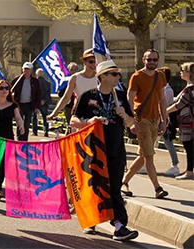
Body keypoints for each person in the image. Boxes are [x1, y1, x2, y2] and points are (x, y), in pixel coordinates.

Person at [70, 60, 139, 241]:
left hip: (116, 148)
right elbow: (73, 121)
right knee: (95, 184)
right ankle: (91, 219)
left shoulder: (120, 96)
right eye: (114, 74)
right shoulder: (87, 96)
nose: (118, 77)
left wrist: (124, 115)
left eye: (118, 74)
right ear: (102, 77)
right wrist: (89, 122)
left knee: (114, 186)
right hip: (93, 149)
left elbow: (132, 124)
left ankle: (119, 225)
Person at [121, 49, 170, 199]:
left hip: (155, 119)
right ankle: (157, 188)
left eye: (155, 60)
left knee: (143, 155)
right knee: (149, 156)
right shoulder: (136, 77)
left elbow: (162, 99)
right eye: (149, 60)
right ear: (143, 60)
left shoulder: (160, 76)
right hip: (141, 119)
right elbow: (129, 100)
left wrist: (164, 119)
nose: (152, 62)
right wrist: (131, 121)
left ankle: (124, 182)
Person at [49, 49, 99, 129]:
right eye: (90, 62)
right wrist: (54, 113)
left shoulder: (99, 77)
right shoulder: (75, 78)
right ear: (84, 62)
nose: (93, 65)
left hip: (96, 113)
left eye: (95, 62)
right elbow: (66, 98)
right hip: (80, 113)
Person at [169, 62, 194, 180]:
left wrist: (164, 112)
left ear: (190, 73)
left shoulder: (190, 89)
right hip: (188, 121)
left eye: (183, 70)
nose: (181, 72)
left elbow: (179, 105)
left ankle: (189, 171)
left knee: (189, 146)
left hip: (188, 123)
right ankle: (189, 169)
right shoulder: (188, 88)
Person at [11, 62, 42, 141]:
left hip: (29, 105)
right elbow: (10, 88)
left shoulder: (35, 81)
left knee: (27, 123)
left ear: (31, 70)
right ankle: (19, 138)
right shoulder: (17, 79)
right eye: (25, 69)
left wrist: (37, 107)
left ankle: (25, 139)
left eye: (28, 69)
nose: (26, 71)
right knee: (19, 122)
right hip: (19, 104)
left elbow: (38, 94)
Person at [34, 68, 52, 137]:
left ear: (37, 74)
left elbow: (33, 93)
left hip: (36, 103)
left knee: (34, 117)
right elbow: (48, 94)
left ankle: (35, 131)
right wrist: (44, 100)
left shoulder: (34, 82)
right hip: (44, 102)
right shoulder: (47, 83)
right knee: (45, 117)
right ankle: (46, 130)